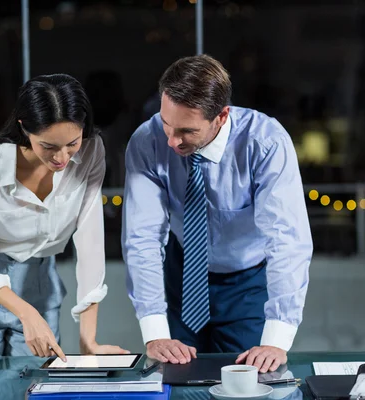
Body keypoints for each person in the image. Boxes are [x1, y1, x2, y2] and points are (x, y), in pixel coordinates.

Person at [122, 55, 312, 372]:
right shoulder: (148, 140)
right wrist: (154, 332)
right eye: (166, 123)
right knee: (177, 379)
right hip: (181, 276)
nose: (171, 140)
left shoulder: (265, 143)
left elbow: (287, 240)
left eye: (186, 131)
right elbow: (142, 237)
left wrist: (277, 338)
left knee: (245, 383)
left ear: (221, 116)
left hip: (247, 282)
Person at [0, 74, 127, 359]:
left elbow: (90, 245)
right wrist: (27, 314)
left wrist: (88, 339)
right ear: (24, 129)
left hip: (39, 279)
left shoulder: (92, 152)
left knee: (39, 386)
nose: (62, 157)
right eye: (49, 146)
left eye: (72, 143)